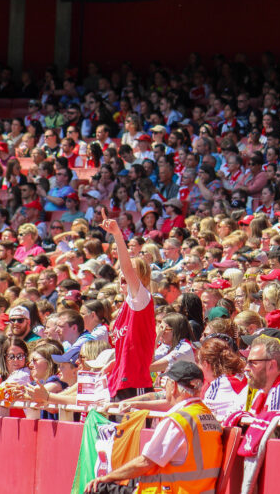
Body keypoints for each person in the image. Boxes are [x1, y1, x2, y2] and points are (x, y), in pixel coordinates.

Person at [84, 361, 223, 494]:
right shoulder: (207, 415)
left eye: (166, 383)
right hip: (199, 489)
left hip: (172, 490)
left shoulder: (177, 421)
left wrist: (107, 477)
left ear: (173, 386)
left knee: (96, 487)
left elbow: (145, 462)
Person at [100, 208, 157, 400]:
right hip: (119, 382)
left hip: (136, 385)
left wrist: (117, 235)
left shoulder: (142, 298)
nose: (125, 274)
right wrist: (115, 362)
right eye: (123, 274)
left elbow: (125, 266)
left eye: (131, 272)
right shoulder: (126, 306)